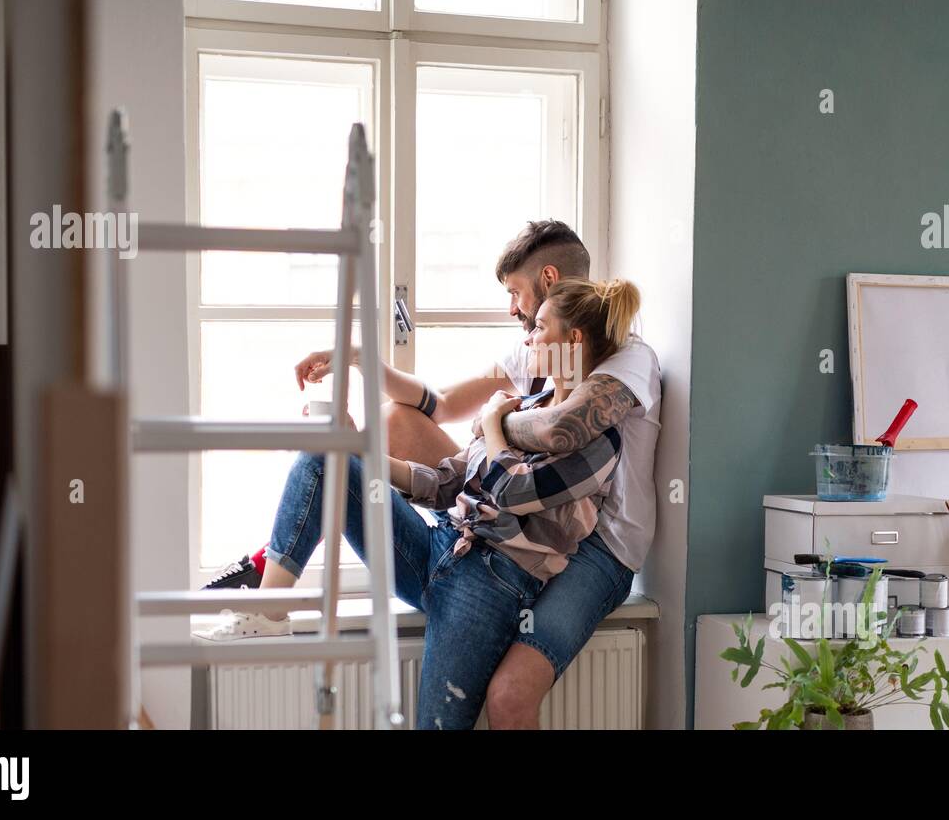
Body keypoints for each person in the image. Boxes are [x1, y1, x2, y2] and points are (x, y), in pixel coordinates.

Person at [206, 220, 662, 728]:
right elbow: (443, 436)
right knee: (335, 454)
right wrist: (359, 437)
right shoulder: (533, 376)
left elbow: (548, 444)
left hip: (561, 560)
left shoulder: (615, 394)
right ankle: (270, 602)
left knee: (504, 698)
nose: (517, 318)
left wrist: (494, 424)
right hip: (452, 545)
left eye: (518, 298)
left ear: (553, 292)